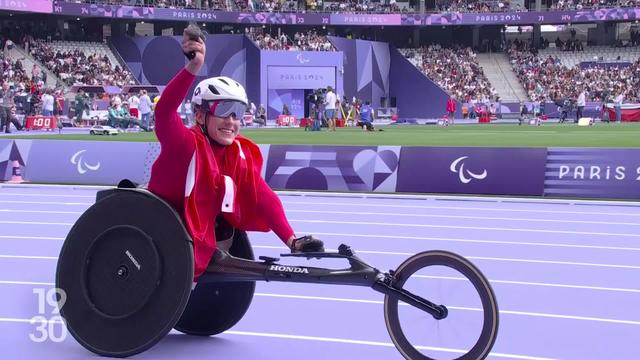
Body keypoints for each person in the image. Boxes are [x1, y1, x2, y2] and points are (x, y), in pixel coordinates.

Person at [148, 29, 324, 278]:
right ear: (200, 115)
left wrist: (291, 240)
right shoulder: (184, 143)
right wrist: (194, 65)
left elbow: (263, 196)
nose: (232, 121)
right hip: (157, 238)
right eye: (225, 110)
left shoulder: (237, 153)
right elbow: (164, 111)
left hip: (195, 238)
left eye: (237, 113)